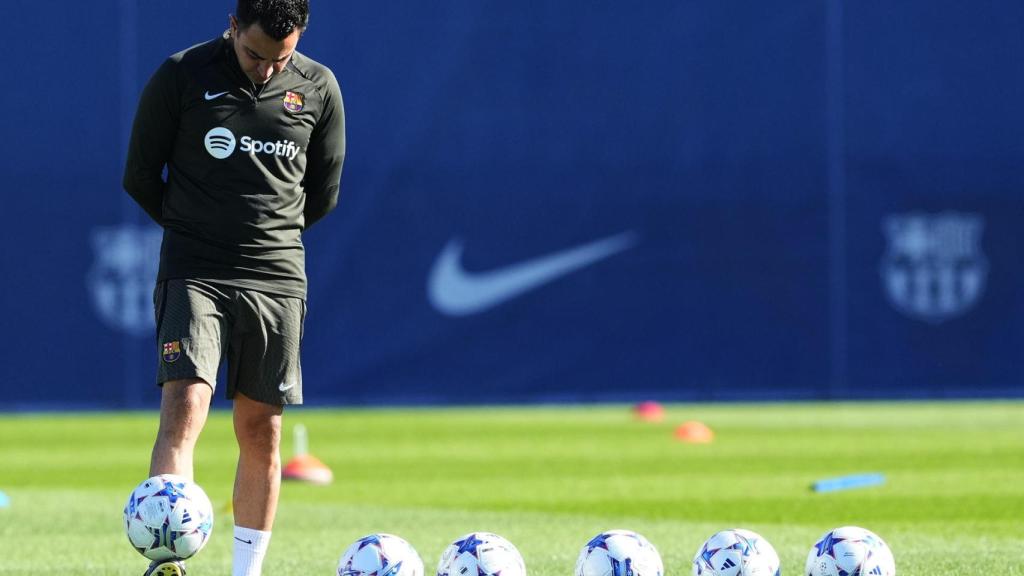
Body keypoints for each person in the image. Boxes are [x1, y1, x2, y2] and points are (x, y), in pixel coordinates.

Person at [122, 0, 344, 574]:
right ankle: (168, 561)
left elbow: (322, 194)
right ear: (231, 25)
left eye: (280, 58)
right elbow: (140, 174)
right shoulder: (182, 74)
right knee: (184, 405)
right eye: (253, 54)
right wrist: (196, 230)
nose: (266, 68)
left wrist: (267, 238)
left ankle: (246, 572)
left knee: (262, 430)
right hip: (195, 270)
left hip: (276, 278)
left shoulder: (319, 87)